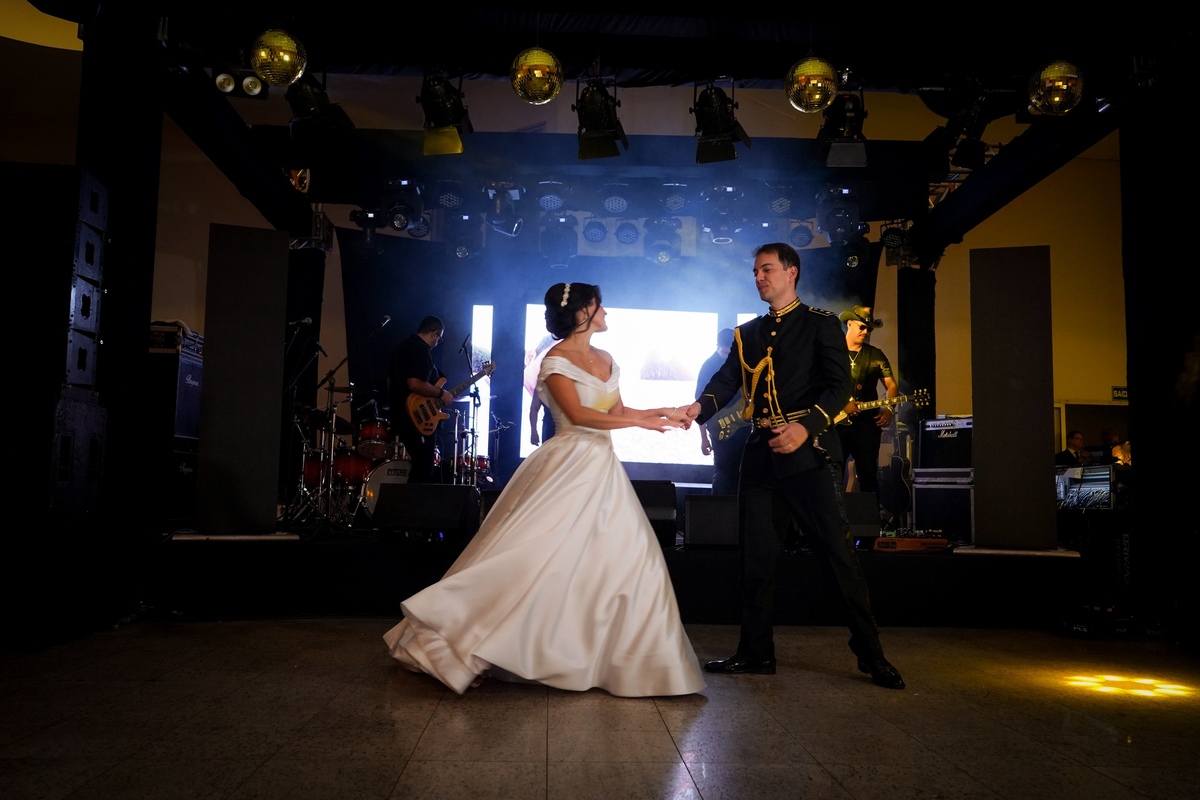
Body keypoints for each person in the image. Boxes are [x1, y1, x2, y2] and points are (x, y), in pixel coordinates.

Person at [383, 282, 705, 697]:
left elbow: (617, 410)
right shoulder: (555, 360)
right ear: (583, 313)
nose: (606, 312)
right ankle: (461, 637)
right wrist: (640, 424)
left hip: (601, 467)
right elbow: (578, 415)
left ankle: (621, 661)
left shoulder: (606, 357)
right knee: (533, 557)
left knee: (631, 558)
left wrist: (659, 412)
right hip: (568, 464)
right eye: (599, 305)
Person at [683, 242, 905, 690]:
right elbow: (727, 382)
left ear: (791, 272)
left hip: (811, 455)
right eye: (755, 271)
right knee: (757, 558)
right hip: (762, 456)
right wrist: (694, 411)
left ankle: (871, 653)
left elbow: (839, 385)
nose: (759, 277)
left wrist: (807, 427)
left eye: (767, 269)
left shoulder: (820, 325)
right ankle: (755, 652)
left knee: (838, 555)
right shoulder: (747, 333)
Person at [836, 305, 899, 498]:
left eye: (869, 329)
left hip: (866, 426)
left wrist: (888, 409)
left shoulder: (875, 355)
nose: (865, 332)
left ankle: (872, 525)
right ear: (849, 324)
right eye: (862, 327)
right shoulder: (833, 353)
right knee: (834, 475)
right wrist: (841, 403)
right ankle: (833, 524)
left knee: (868, 475)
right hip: (837, 425)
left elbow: (892, 386)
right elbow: (821, 385)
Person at [388, 316, 454, 483]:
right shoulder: (420, 350)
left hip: (402, 414)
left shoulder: (402, 347)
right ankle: (411, 508)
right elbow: (415, 383)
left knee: (421, 467)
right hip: (415, 419)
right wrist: (440, 393)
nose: (439, 342)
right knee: (423, 469)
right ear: (434, 334)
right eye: (440, 337)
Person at [696, 328, 751, 495]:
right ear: (717, 346)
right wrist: (704, 439)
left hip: (743, 425)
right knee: (722, 472)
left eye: (730, 352)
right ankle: (718, 514)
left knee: (744, 471)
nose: (727, 357)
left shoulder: (743, 363)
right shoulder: (708, 367)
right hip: (719, 425)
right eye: (723, 352)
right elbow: (699, 404)